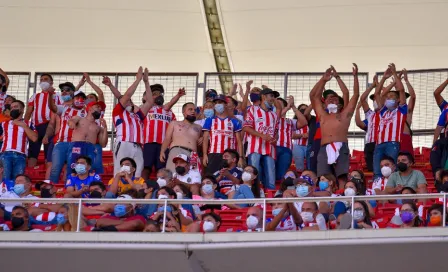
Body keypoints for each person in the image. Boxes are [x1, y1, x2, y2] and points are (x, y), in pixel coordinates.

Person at [311, 64, 359, 189]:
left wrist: (351, 77)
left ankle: (343, 196)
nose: (332, 101)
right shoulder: (322, 115)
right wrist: (323, 80)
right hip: (324, 147)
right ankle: (326, 199)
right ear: (325, 103)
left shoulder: (345, 115)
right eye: (329, 100)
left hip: (341, 146)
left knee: (342, 177)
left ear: (340, 103)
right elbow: (314, 96)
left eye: (335, 99)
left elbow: (354, 94)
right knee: (323, 178)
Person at [112, 67, 154, 178]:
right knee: (120, 170)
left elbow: (150, 102)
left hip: (138, 145)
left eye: (130, 101)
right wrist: (137, 80)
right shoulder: (118, 112)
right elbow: (126, 96)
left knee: (138, 171)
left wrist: (146, 82)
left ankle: (134, 193)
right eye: (126, 101)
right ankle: (118, 192)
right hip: (123, 142)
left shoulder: (138, 115)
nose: (128, 102)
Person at [372, 64, 408, 181]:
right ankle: (377, 192)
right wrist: (384, 78)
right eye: (387, 97)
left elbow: (401, 90)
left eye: (392, 96)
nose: (388, 99)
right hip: (379, 144)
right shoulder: (383, 112)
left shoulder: (401, 111)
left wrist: (394, 74)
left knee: (392, 170)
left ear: (398, 100)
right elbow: (378, 94)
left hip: (392, 143)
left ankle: (393, 193)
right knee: (377, 172)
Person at [142, 84, 184, 179]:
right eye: (155, 94)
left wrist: (178, 95)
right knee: (146, 167)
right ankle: (142, 188)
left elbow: (174, 128)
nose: (159, 95)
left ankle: (160, 188)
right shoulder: (146, 109)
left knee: (161, 168)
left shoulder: (169, 112)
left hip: (164, 145)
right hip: (149, 142)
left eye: (160, 93)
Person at [243, 87, 280, 189]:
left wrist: (275, 138)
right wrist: (262, 136)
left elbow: (276, 132)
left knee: (271, 176)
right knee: (253, 173)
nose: (273, 99)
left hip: (270, 149)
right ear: (263, 96)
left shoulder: (274, 115)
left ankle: (270, 200)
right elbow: (246, 127)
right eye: (271, 96)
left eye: (274, 97)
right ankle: (254, 196)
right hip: (255, 148)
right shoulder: (252, 109)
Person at [47, 89, 87, 183]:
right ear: (73, 99)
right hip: (61, 143)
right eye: (77, 97)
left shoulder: (86, 113)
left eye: (82, 98)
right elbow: (52, 107)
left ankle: (69, 188)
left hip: (76, 144)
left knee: (71, 167)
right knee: (55, 167)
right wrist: (49, 95)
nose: (80, 99)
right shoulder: (65, 108)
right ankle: (51, 189)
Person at [25, 73, 61, 167]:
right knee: (32, 151)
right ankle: (30, 173)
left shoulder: (57, 96)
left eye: (46, 79)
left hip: (49, 125)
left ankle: (47, 175)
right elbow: (29, 112)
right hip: (35, 126)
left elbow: (60, 111)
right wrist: (24, 126)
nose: (43, 81)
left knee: (48, 151)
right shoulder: (35, 96)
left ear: (51, 82)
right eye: (41, 80)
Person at [203, 95, 244, 175]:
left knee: (229, 179)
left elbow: (239, 141)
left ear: (226, 104)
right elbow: (205, 140)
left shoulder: (234, 122)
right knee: (212, 179)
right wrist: (205, 155)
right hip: (213, 154)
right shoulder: (209, 120)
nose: (218, 104)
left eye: (220, 102)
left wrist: (241, 157)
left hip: (230, 156)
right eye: (216, 103)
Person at [0, 100, 38, 180]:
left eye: (16, 107)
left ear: (22, 110)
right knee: (4, 181)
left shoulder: (29, 123)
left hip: (21, 156)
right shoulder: (4, 123)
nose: (13, 109)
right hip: (5, 155)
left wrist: (23, 126)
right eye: (11, 108)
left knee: (18, 181)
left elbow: (34, 138)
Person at [67, 100, 108, 174]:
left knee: (89, 169)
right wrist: (71, 123)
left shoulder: (98, 127)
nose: (99, 109)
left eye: (100, 108)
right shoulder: (79, 119)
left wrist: (105, 128)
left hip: (90, 147)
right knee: (73, 168)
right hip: (77, 144)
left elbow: (103, 144)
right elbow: (72, 120)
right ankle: (70, 184)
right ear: (90, 109)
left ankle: (87, 185)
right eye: (97, 107)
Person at [160, 102, 202, 172]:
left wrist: (202, 138)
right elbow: (167, 139)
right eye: (190, 109)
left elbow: (200, 146)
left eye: (194, 110)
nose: (193, 111)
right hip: (176, 151)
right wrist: (162, 151)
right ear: (183, 112)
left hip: (192, 155)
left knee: (190, 179)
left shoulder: (199, 127)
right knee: (172, 175)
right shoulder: (174, 123)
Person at [276, 96, 308, 180]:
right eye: (276, 104)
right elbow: (276, 117)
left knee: (281, 174)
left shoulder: (290, 121)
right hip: (273, 148)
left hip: (286, 149)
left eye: (280, 104)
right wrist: (287, 107)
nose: (277, 106)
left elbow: (304, 122)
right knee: (271, 173)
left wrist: (293, 107)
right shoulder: (270, 118)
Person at [355, 76, 379, 172]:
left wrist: (380, 86)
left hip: (380, 143)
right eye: (374, 100)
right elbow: (362, 99)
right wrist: (373, 86)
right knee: (371, 169)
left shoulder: (387, 113)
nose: (375, 101)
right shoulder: (370, 114)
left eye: (378, 99)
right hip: (369, 144)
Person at [399, 69, 416, 156]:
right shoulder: (390, 111)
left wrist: (406, 80)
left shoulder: (407, 109)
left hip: (405, 138)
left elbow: (412, 96)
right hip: (393, 140)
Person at [292, 104, 310, 171]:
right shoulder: (294, 122)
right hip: (297, 146)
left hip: (309, 145)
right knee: (299, 167)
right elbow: (291, 135)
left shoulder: (312, 121)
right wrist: (302, 135)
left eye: (306, 109)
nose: (303, 111)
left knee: (310, 165)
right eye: (302, 109)